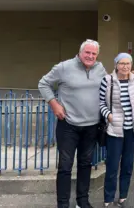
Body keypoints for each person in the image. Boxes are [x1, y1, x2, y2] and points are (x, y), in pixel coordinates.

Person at [38, 39, 106, 208]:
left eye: (94, 53)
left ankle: (82, 201)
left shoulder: (100, 69)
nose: (90, 56)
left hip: (92, 126)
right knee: (65, 166)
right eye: (87, 52)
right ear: (80, 52)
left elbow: (110, 86)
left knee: (85, 164)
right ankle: (63, 204)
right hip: (68, 125)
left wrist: (130, 76)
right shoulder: (64, 67)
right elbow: (43, 83)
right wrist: (54, 104)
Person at [100, 53, 134, 207]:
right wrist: (109, 116)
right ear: (116, 65)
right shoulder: (108, 80)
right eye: (122, 63)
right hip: (114, 130)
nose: (125, 66)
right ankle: (108, 199)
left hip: (131, 130)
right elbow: (101, 104)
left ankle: (123, 196)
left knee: (127, 165)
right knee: (112, 166)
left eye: (128, 63)